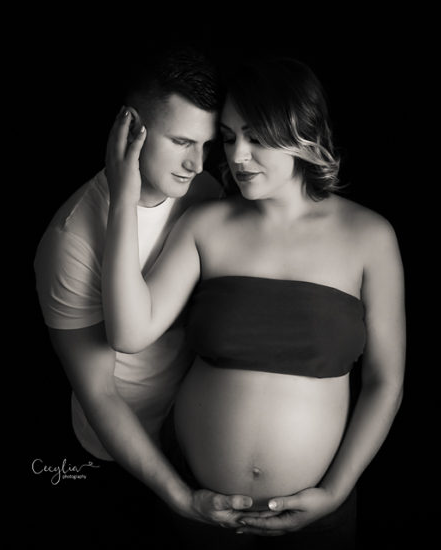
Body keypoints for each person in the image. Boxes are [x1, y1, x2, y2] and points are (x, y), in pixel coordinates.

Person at [102, 55, 406, 549]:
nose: (237, 155)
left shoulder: (370, 236)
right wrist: (122, 201)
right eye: (228, 136)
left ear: (301, 132)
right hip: (198, 510)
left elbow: (385, 381)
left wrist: (335, 490)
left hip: (317, 517)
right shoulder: (206, 224)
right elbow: (128, 333)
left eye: (257, 137)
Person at [32, 47, 257, 548]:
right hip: (113, 452)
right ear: (131, 127)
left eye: (204, 144)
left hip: (189, 432)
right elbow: (100, 394)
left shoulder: (202, 193)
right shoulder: (70, 240)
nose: (196, 163)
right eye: (180, 141)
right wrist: (178, 497)